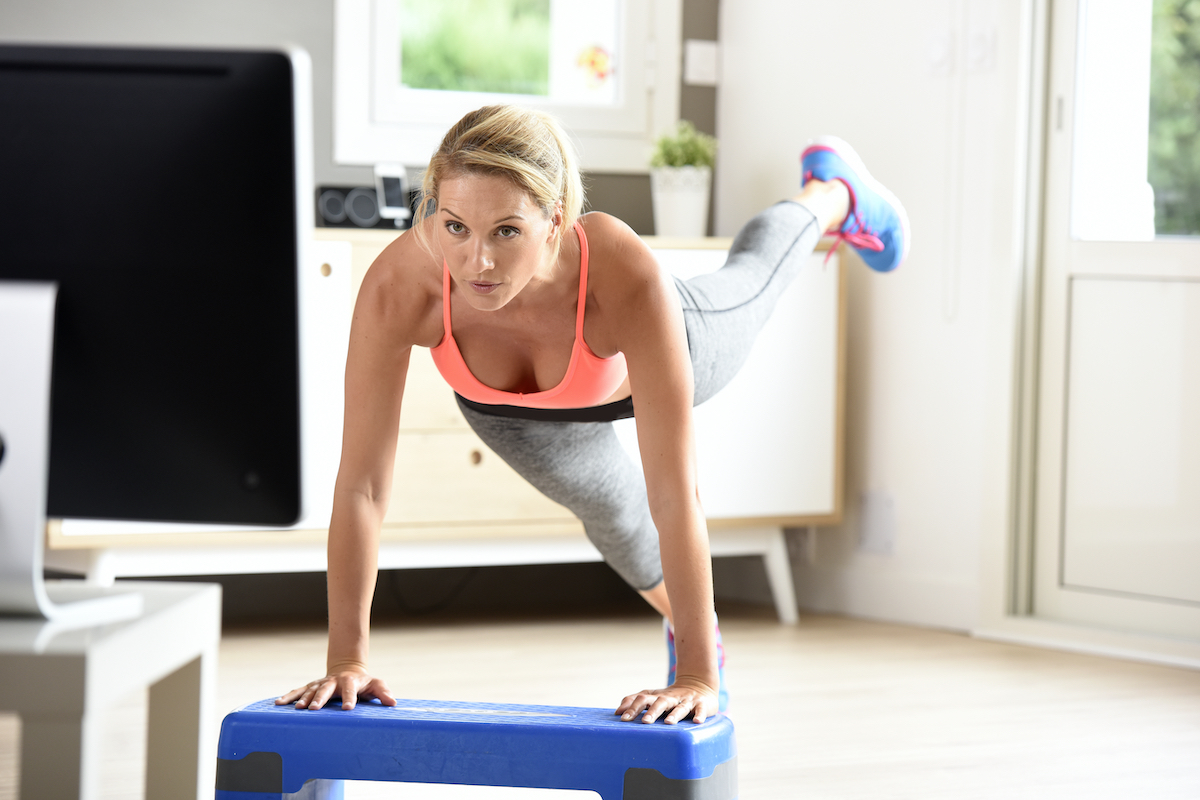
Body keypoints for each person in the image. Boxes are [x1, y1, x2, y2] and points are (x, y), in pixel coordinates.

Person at [278, 105, 909, 726]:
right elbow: (362, 485)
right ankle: (698, 628)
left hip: (662, 351)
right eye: (455, 228)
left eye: (506, 231)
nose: (477, 263)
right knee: (614, 520)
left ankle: (831, 192)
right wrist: (346, 660)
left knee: (750, 281)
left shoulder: (618, 270)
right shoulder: (400, 285)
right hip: (511, 410)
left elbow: (674, 493)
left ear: (553, 222)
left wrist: (696, 679)